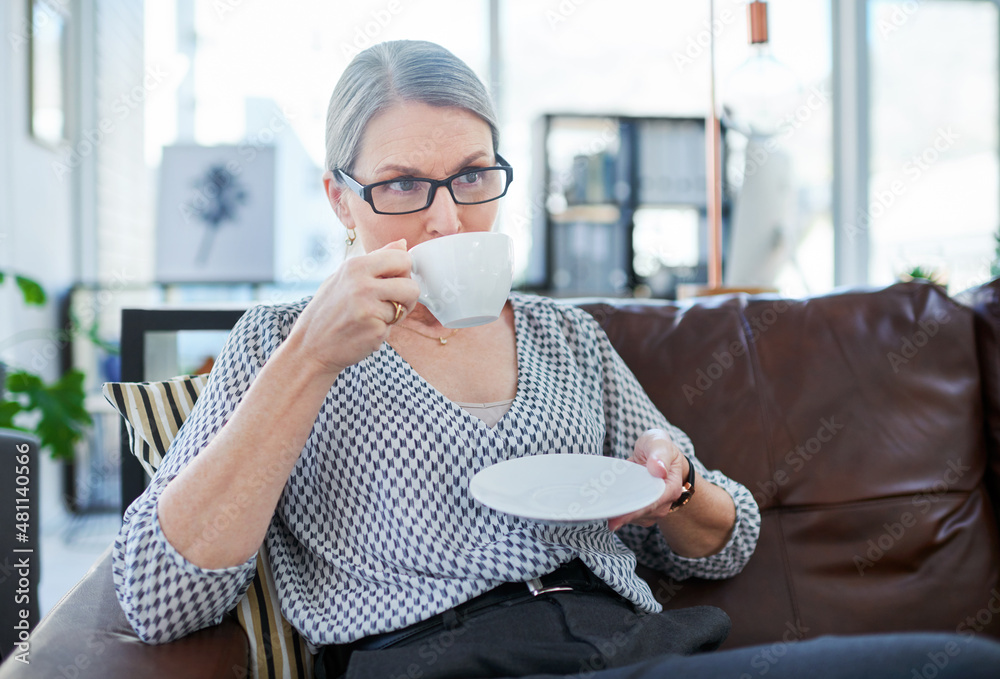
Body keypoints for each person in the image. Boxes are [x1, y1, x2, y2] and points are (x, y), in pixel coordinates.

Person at [113, 40, 1000, 679]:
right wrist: (311, 359)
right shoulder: (280, 343)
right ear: (339, 199)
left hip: (632, 650)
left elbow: (728, 547)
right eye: (400, 186)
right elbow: (157, 598)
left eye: (471, 176)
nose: (446, 219)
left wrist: (678, 486)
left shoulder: (562, 335)